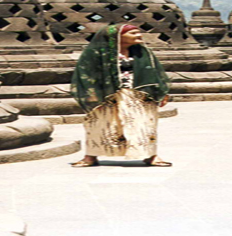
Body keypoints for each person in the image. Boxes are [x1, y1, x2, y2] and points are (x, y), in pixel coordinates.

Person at [70, 23, 172, 167]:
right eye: (133, 34)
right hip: (107, 96)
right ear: (117, 37)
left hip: (138, 95)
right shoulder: (97, 53)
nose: (139, 36)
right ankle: (90, 156)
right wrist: (91, 94)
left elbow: (156, 73)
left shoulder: (143, 53)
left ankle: (151, 156)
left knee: (145, 125)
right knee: (101, 125)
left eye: (138, 33)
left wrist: (162, 93)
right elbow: (86, 74)